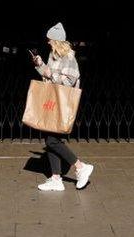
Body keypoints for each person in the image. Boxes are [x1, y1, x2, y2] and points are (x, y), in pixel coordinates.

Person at [29, 22, 94, 191]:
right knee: (50, 139)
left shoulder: (69, 58)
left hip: (62, 103)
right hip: (53, 102)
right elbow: (48, 76)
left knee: (52, 140)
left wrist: (51, 74)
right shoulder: (53, 56)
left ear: (57, 41)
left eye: (50, 40)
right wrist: (40, 65)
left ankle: (80, 166)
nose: (48, 42)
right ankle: (56, 178)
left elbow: (68, 82)